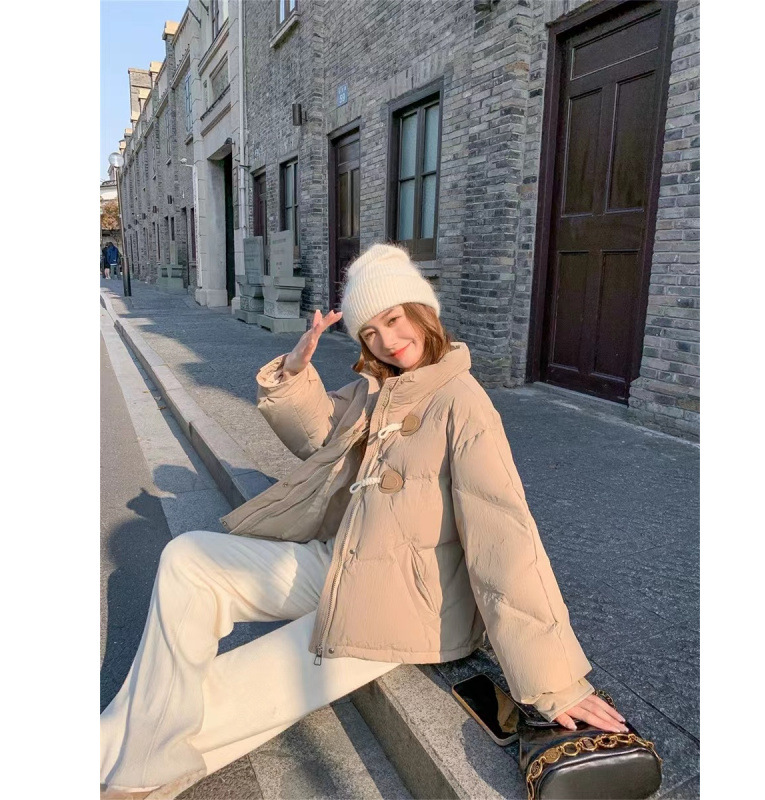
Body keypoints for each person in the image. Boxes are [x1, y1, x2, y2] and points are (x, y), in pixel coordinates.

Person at [100, 243, 625, 799]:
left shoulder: (462, 402)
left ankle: (124, 768)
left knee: (247, 682)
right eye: (369, 332)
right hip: (345, 560)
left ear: (422, 311)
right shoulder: (381, 389)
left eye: (394, 319)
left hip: (407, 602)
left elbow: (506, 539)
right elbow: (319, 437)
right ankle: (142, 753)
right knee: (188, 559)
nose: (386, 340)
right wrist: (293, 374)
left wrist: (553, 683)